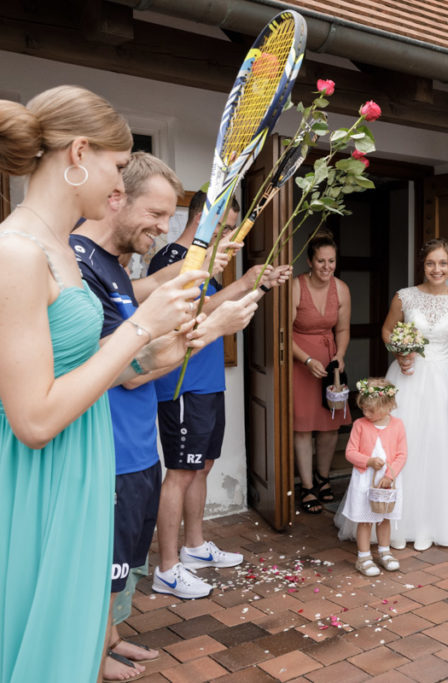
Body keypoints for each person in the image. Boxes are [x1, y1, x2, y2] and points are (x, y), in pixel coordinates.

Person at [0, 86, 203, 681]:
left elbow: (94, 359)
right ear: (79, 153)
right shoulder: (16, 252)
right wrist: (142, 327)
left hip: (87, 463)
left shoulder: (59, 250)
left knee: (77, 638)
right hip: (45, 475)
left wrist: (165, 331)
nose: (119, 187)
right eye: (117, 167)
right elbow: (32, 420)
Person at [72, 152, 259, 680]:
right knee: (107, 564)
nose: (163, 226)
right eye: (156, 213)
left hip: (134, 441)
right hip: (109, 442)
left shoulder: (108, 263)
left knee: (125, 560)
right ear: (117, 197)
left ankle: (108, 637)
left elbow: (142, 293)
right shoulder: (79, 261)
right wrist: (214, 326)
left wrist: (209, 258)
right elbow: (130, 368)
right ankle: (93, 651)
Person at [148, 190, 290, 600]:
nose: (230, 237)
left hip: (207, 381)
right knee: (179, 472)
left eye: (232, 230)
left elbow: (216, 310)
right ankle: (168, 567)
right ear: (200, 220)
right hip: (180, 384)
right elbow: (191, 313)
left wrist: (257, 287)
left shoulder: (207, 265)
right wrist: (245, 280)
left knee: (202, 466)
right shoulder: (173, 261)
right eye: (224, 229)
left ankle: (194, 547)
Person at [380, 238, 448, 550]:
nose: (437, 269)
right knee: (404, 447)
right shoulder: (404, 297)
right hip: (406, 378)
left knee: (437, 450)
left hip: (442, 382)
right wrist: (398, 351)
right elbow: (387, 330)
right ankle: (395, 520)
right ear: (423, 265)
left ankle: (435, 521)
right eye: (431, 263)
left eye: (443, 264)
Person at [291, 232, 352, 513]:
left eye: (331, 261)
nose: (327, 267)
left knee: (330, 423)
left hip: (329, 360)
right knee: (303, 426)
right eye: (321, 261)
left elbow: (342, 329)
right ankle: (306, 486)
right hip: (300, 361)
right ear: (310, 262)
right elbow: (284, 333)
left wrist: (338, 356)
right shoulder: (295, 287)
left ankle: (323, 478)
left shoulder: (341, 289)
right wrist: (305, 360)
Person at [338, 378, 406, 577]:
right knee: (365, 519)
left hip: (387, 481)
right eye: (364, 409)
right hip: (364, 479)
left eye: (371, 411)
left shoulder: (398, 425)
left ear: (388, 406)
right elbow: (350, 452)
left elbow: (402, 454)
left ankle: (384, 551)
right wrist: (368, 461)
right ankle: (364, 557)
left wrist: (389, 475)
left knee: (384, 517)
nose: (366, 414)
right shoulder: (360, 425)